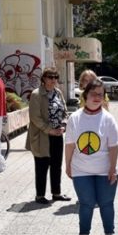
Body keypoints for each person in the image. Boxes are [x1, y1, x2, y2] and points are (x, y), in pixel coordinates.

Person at [65, 78, 118, 235]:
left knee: (106, 203)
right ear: (85, 95)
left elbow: (113, 147)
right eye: (93, 94)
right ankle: (83, 234)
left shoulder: (108, 119)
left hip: (105, 170)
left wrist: (112, 168)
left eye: (100, 94)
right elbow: (69, 144)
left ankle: (110, 233)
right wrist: (67, 165)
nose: (97, 97)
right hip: (81, 170)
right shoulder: (75, 118)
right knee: (86, 203)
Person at [28, 67, 71, 204]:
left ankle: (56, 193)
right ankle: (40, 195)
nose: (53, 80)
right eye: (50, 77)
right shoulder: (36, 94)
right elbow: (35, 117)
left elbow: (64, 111)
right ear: (44, 79)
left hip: (57, 134)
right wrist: (49, 130)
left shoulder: (58, 92)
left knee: (56, 164)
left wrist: (64, 124)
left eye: (55, 77)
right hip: (42, 136)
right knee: (42, 165)